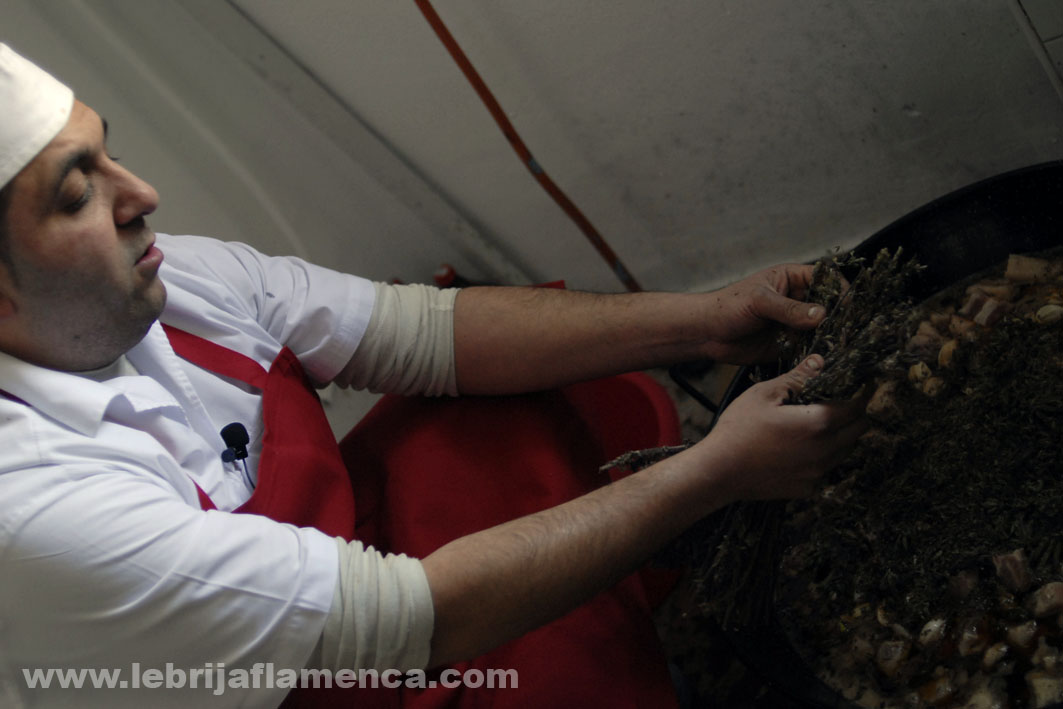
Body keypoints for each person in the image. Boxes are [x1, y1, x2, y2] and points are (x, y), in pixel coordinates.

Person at [0, 42, 866, 708]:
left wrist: (702, 321)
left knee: (506, 409)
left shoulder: (166, 277)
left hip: (352, 601)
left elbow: (422, 335)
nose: (141, 194)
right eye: (77, 195)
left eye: (109, 153)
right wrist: (714, 472)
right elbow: (412, 617)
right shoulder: (36, 510)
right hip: (302, 676)